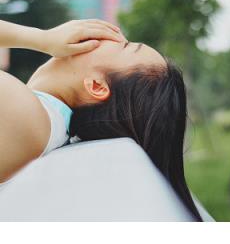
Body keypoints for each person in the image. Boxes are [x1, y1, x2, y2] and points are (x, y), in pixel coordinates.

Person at [0, 19, 202, 221]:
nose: (113, 36)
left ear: (96, 86)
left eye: (124, 45)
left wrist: (41, 38)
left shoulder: (26, 113)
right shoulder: (38, 118)